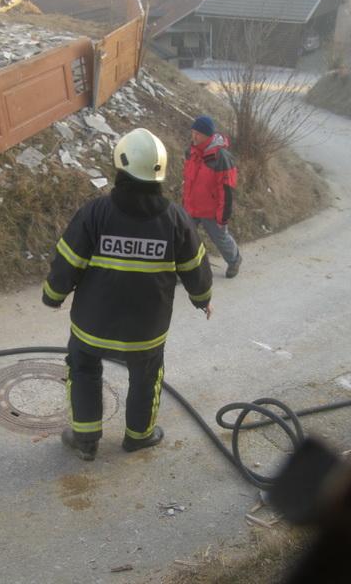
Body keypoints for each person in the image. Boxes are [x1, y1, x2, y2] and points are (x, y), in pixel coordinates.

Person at [42, 128, 213, 461]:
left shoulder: (95, 213)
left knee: (83, 369)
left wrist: (53, 295)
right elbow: (195, 266)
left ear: (120, 165)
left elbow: (67, 262)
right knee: (146, 377)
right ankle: (139, 437)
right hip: (146, 331)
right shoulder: (175, 218)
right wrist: (202, 299)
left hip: (92, 325)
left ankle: (85, 440)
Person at [183, 115, 242, 278]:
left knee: (220, 239)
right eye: (193, 132)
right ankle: (184, 269)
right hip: (191, 207)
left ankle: (234, 260)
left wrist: (223, 216)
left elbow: (226, 190)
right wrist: (185, 203)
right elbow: (188, 181)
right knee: (183, 238)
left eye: (198, 134)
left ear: (208, 136)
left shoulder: (221, 157)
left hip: (212, 211)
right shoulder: (191, 152)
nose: (194, 136)